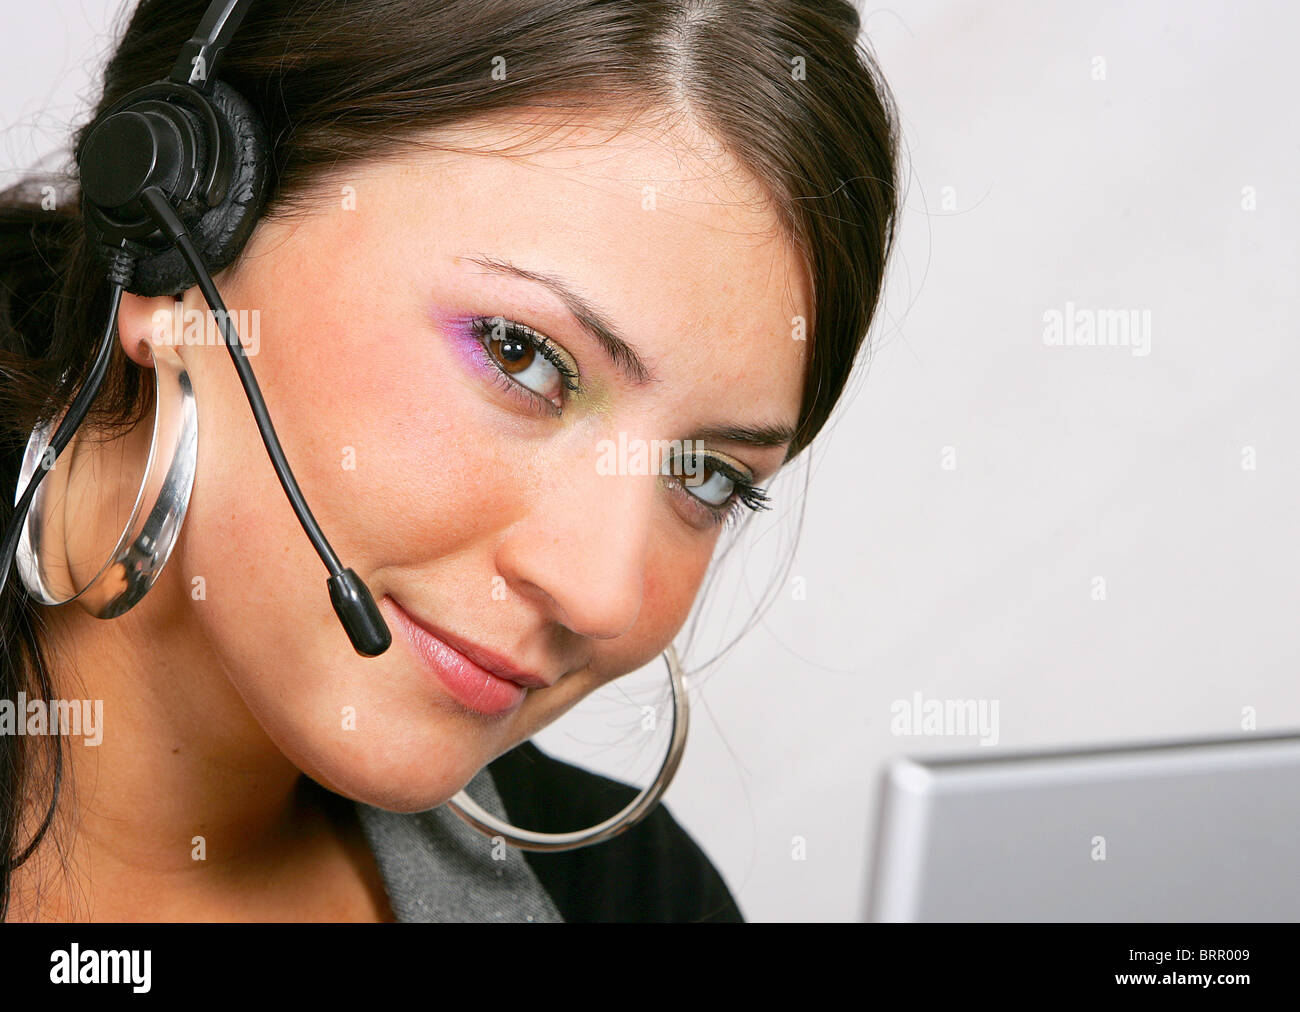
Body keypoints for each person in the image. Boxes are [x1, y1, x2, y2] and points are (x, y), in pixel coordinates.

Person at [0, 0, 900, 922]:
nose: (603, 593)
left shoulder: (642, 905)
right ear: (170, 238)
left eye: (706, 475)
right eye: (521, 354)